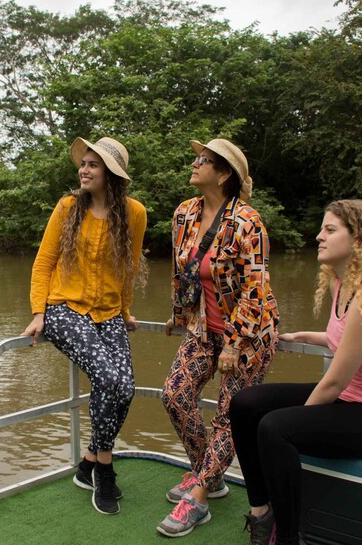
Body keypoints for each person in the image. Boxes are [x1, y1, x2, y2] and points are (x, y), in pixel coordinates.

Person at [229, 199, 362, 545]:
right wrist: (303, 336)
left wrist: (295, 422)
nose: (319, 236)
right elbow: (349, 340)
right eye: (322, 228)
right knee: (246, 403)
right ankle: (262, 512)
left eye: (330, 230)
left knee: (275, 429)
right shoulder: (344, 284)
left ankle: (289, 537)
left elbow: (335, 380)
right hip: (350, 399)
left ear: (360, 240)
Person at [157, 139, 279, 537]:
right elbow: (183, 271)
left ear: (223, 173)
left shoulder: (248, 222)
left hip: (248, 334)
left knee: (230, 413)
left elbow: (256, 288)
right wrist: (180, 314)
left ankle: (198, 499)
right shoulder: (184, 213)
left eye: (202, 160)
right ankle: (208, 477)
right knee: (174, 395)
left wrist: (235, 342)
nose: (194, 164)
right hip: (203, 327)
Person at [21, 136, 147, 515]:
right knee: (108, 379)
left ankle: (88, 462)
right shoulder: (67, 207)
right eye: (84, 163)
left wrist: (125, 310)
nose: (84, 170)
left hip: (108, 312)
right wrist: (38, 312)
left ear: (111, 174)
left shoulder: (135, 213)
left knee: (125, 386)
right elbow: (44, 262)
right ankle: (104, 469)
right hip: (63, 309)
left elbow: (129, 265)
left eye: (94, 164)